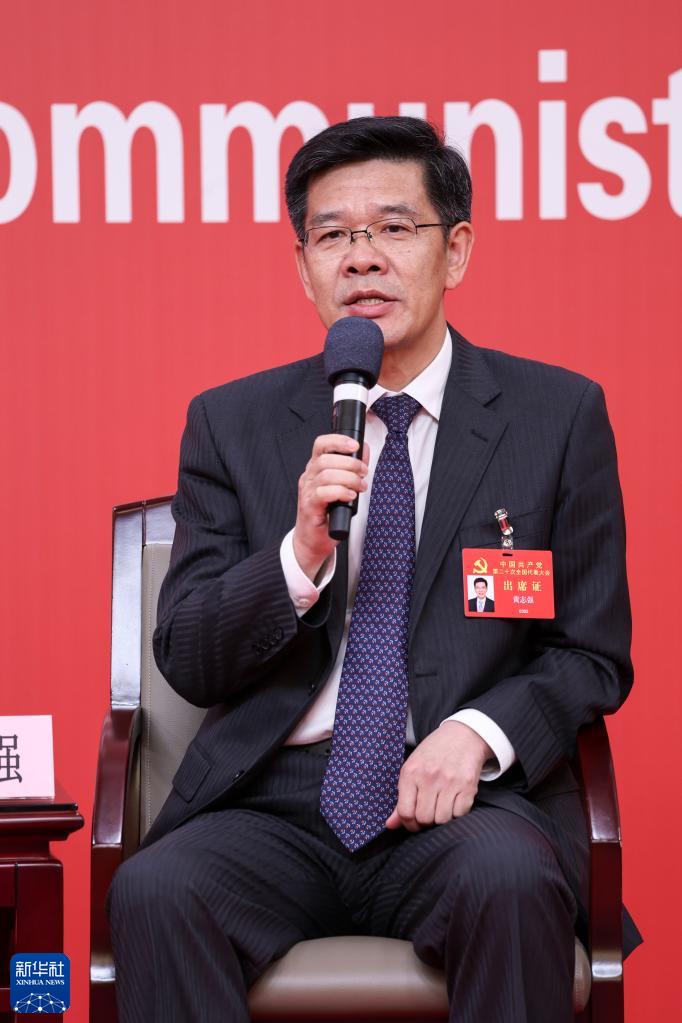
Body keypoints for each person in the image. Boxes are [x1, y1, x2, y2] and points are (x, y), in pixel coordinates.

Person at [107, 116, 638, 1023]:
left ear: (455, 250)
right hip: (273, 802)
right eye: (333, 236)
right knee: (157, 890)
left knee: (510, 879)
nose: (362, 257)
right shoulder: (232, 423)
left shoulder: (556, 417)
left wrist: (477, 731)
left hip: (464, 802)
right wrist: (298, 553)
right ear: (303, 265)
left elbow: (590, 652)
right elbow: (188, 656)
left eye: (394, 227)